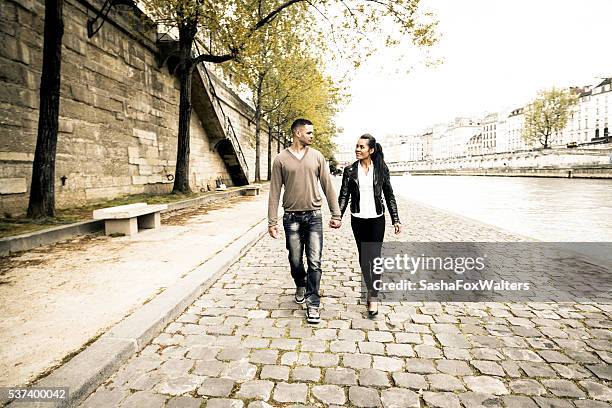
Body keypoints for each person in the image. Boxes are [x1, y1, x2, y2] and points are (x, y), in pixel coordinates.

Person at [268, 119, 342, 324]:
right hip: (291, 218)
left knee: (315, 262)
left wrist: (336, 214)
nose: (312, 136)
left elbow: (328, 186)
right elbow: (274, 191)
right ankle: (300, 283)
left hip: (314, 217)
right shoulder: (280, 159)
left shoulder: (317, 156)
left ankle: (313, 303)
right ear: (297, 133)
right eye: (309, 132)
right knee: (294, 260)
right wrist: (271, 221)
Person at [338, 134, 401, 318]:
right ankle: (370, 289)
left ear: (371, 150)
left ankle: (373, 297)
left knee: (375, 259)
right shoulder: (349, 170)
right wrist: (337, 216)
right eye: (356, 146)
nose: (357, 149)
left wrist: (395, 219)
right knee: (363, 259)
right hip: (357, 219)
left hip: (376, 219)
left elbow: (389, 195)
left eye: (362, 147)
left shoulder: (381, 169)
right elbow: (344, 195)